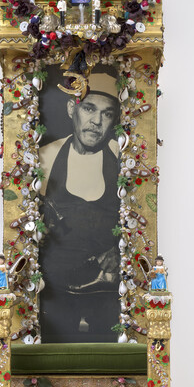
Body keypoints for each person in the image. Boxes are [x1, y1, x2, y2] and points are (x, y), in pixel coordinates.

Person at [39, 72, 120, 343]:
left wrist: (119, 249)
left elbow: (140, 218)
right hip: (56, 294)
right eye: (89, 109)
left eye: (106, 114)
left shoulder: (122, 157)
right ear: (72, 109)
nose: (96, 122)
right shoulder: (46, 158)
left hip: (106, 295)